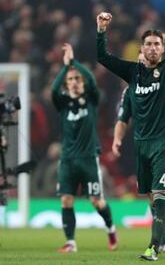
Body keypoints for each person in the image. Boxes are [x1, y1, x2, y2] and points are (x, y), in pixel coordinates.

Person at [97, 10, 165, 261]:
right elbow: (103, 57)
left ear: (161, 49)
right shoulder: (133, 73)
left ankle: (153, 247)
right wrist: (101, 31)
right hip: (142, 143)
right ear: (142, 48)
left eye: (157, 44)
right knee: (153, 199)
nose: (152, 48)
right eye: (148, 44)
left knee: (161, 195)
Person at [51, 43, 117, 253]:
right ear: (66, 84)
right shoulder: (62, 103)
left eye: (77, 79)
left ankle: (111, 228)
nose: (74, 82)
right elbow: (54, 88)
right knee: (66, 200)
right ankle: (71, 242)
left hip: (89, 158)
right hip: (68, 159)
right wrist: (65, 68)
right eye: (70, 79)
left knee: (97, 201)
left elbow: (91, 79)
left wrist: (73, 62)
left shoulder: (92, 100)